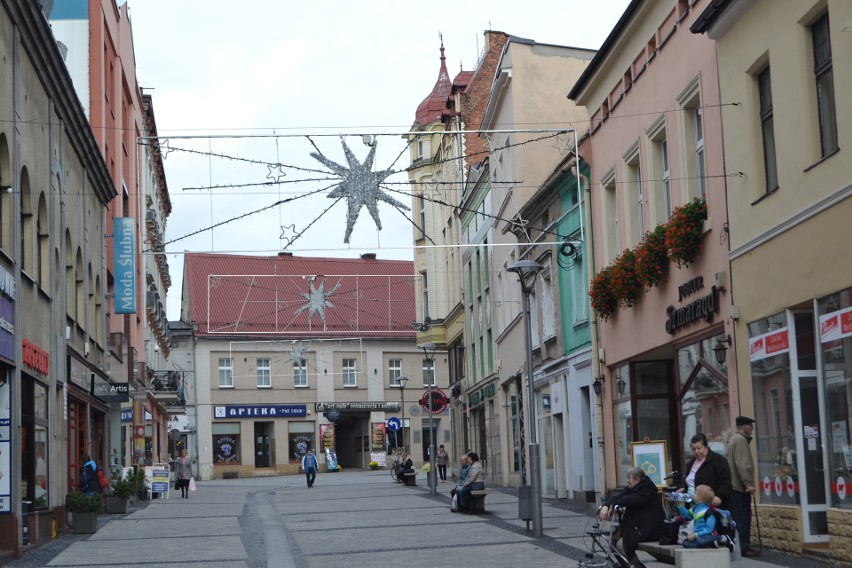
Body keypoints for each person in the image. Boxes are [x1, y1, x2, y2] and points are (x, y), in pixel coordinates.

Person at [598, 467, 665, 568]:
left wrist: (612, 505)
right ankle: (625, 566)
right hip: (637, 525)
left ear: (637, 480)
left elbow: (628, 500)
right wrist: (607, 505)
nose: (627, 480)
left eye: (629, 478)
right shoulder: (633, 488)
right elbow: (618, 497)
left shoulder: (646, 491)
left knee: (621, 546)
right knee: (612, 542)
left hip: (649, 528)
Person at [727, 416, 759, 557]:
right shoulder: (740, 441)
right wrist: (749, 483)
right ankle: (744, 547)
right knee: (744, 517)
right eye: (750, 426)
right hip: (739, 487)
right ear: (745, 427)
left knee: (739, 517)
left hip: (735, 487)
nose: (751, 429)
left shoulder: (734, 439)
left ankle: (741, 546)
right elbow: (742, 464)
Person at [680, 433, 731, 509]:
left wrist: (719, 496)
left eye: (699, 448)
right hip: (693, 505)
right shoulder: (690, 463)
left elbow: (725, 482)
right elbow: (692, 480)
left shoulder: (718, 460)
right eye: (694, 449)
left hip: (711, 505)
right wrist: (684, 488)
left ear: (706, 447)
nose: (696, 451)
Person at [678, 484, 735, 550]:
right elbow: (687, 515)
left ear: (700, 497)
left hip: (708, 535)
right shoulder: (695, 508)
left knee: (701, 540)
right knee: (685, 542)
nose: (693, 495)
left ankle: (722, 538)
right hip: (698, 536)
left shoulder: (708, 512)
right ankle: (711, 544)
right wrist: (679, 506)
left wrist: (696, 535)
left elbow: (709, 529)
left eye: (695, 493)